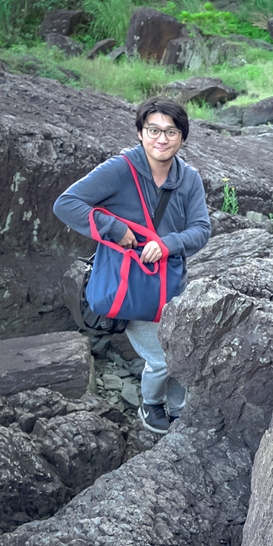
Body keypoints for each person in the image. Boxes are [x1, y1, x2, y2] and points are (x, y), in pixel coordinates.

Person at [53, 96, 211, 434]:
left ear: (182, 137)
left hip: (170, 284)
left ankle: (179, 410)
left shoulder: (189, 179)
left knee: (179, 350)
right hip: (127, 281)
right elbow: (66, 204)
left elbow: (201, 230)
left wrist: (167, 244)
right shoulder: (121, 169)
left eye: (171, 132)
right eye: (153, 130)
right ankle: (153, 406)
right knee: (164, 357)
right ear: (140, 133)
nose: (161, 139)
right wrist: (115, 229)